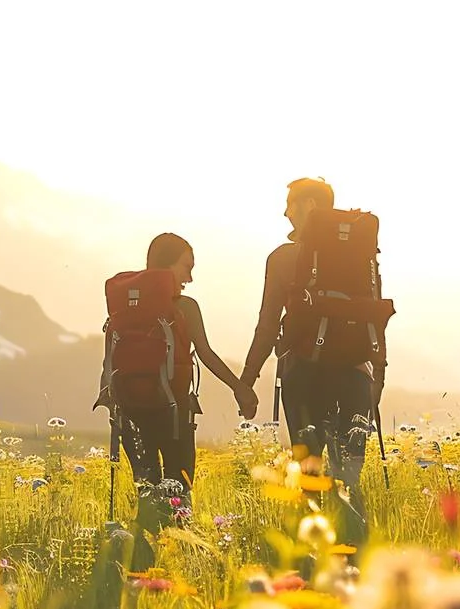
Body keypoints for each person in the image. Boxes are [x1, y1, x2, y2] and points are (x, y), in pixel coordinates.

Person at [237, 177, 388, 554]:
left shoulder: (285, 258)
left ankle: (313, 560)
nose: (285, 211)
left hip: (304, 375)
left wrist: (247, 379)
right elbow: (374, 312)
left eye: (290, 203)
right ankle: (357, 558)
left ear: (307, 205)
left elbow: (268, 321)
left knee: (312, 474)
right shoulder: (361, 251)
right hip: (355, 374)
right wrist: (378, 375)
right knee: (349, 475)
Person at [95, 232, 258, 565]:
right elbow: (207, 354)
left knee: (147, 491)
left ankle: (141, 565)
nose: (190, 277)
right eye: (187, 266)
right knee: (179, 492)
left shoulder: (127, 308)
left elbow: (109, 361)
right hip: (174, 415)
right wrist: (239, 387)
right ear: (168, 266)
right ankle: (182, 564)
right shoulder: (184, 308)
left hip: (130, 414)